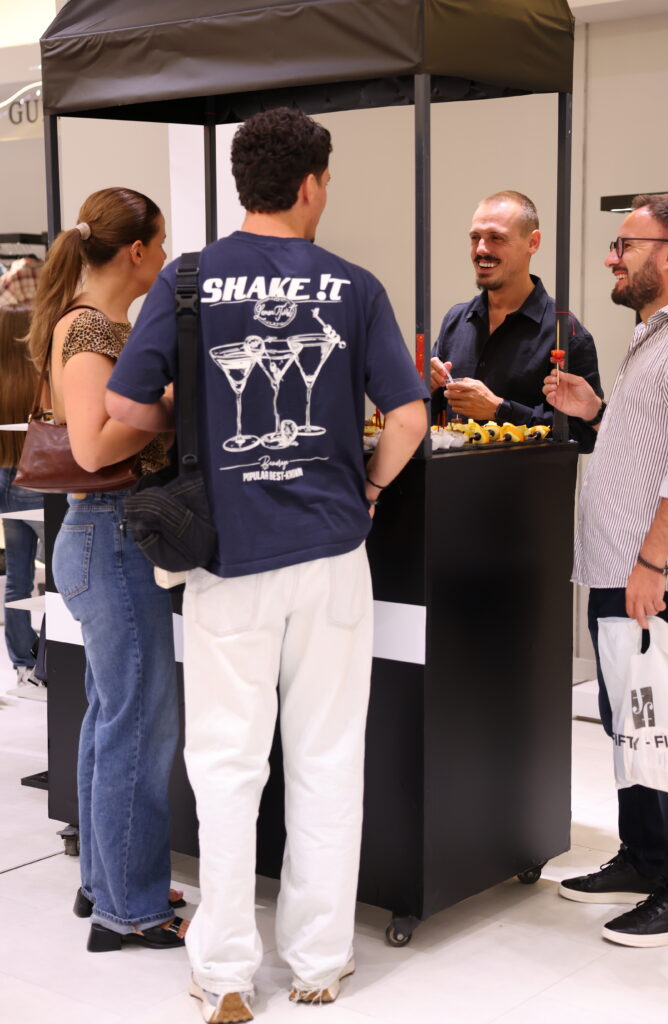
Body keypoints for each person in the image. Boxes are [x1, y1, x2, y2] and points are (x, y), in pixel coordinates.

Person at [106, 107, 427, 1022]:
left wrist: (195, 420)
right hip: (330, 556)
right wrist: (369, 486)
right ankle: (319, 962)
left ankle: (225, 973)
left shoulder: (188, 278)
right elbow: (408, 416)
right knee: (326, 757)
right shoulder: (354, 285)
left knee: (225, 765)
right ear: (312, 184)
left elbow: (124, 409)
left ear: (242, 182)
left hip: (228, 556)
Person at [543, 193, 668, 947]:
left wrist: (652, 562)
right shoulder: (656, 336)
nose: (611, 258)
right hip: (620, 566)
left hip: (647, 572)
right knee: (628, 723)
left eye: (624, 244)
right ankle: (645, 857)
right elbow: (653, 443)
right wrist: (597, 411)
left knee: (660, 729)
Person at [26, 188, 187, 951]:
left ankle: (108, 881)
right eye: (161, 241)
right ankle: (132, 907)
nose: (165, 255)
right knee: (139, 725)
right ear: (137, 250)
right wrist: (171, 407)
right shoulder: (89, 326)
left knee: (114, 717)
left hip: (105, 537)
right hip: (111, 536)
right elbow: (93, 446)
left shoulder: (97, 323)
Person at [430, 190, 602, 446]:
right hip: (451, 472)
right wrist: (424, 389)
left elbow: (585, 435)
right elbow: (433, 420)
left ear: (533, 242)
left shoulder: (564, 331)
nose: (481, 249)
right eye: (475, 238)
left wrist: (501, 410)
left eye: (496, 238)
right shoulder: (456, 320)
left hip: (523, 475)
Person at [0, 303, 46, 699]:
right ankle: (47, 661)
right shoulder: (38, 380)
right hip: (35, 480)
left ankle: (22, 662)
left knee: (18, 575)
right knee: (60, 576)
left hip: (4, 479)